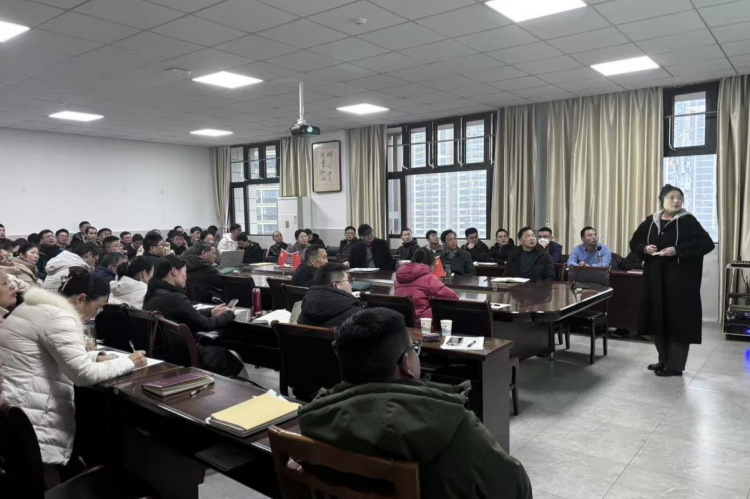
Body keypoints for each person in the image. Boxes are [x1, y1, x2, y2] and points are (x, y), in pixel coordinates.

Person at [299, 308, 532, 499]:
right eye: (414, 348)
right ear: (406, 365)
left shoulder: (314, 421)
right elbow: (514, 488)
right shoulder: (453, 426)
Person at [0, 268, 146, 477]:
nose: (96, 315)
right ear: (81, 299)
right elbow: (83, 375)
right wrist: (128, 362)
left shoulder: (33, 306)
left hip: (16, 404)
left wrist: (94, 357)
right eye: (97, 308)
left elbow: (47, 353)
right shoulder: (59, 317)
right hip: (35, 414)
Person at [629, 184, 714, 377]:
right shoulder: (651, 221)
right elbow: (634, 242)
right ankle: (663, 360)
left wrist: (677, 250)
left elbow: (706, 244)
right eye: (671, 197)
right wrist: (644, 248)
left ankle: (675, 366)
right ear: (662, 200)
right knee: (658, 318)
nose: (676, 201)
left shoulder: (688, 221)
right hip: (655, 280)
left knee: (678, 321)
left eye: (680, 198)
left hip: (680, 282)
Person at [143, 256, 242, 377]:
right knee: (232, 356)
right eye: (185, 272)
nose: (186, 277)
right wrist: (229, 314)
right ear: (174, 271)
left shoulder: (153, 293)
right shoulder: (175, 297)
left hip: (167, 355)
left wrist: (212, 312)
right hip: (189, 356)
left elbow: (186, 314)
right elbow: (206, 325)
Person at [395, 248, 459, 321]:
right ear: (430, 265)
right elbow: (453, 297)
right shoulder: (429, 279)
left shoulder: (398, 278)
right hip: (423, 323)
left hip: (402, 322)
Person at [298, 263, 363, 328]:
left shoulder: (304, 310)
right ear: (336, 286)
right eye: (349, 281)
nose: (351, 285)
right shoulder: (356, 315)